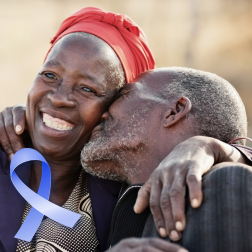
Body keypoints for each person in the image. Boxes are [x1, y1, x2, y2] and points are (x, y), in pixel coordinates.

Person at [0, 7, 155, 252]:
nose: (60, 98)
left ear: (115, 108)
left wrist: (206, 147)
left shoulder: (130, 187)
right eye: (50, 75)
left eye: (87, 89)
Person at [80, 67, 252, 252]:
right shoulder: (114, 202)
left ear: (174, 111)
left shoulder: (227, 183)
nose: (103, 112)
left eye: (123, 94)